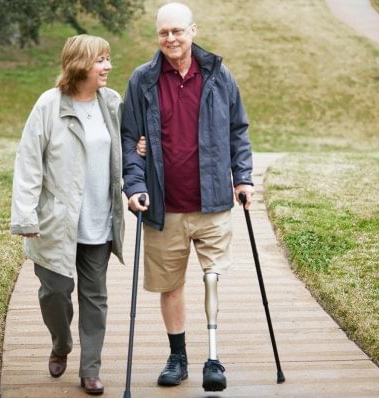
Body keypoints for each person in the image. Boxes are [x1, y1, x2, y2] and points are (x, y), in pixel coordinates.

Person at [121, 2, 254, 392]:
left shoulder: (218, 75)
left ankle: (213, 358)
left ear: (193, 31)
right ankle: (177, 357)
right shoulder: (142, 80)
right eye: (164, 32)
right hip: (164, 206)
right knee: (170, 285)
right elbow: (130, 140)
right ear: (157, 36)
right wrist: (135, 186)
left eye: (178, 31)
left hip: (211, 202)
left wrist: (243, 178)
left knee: (212, 278)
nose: (171, 39)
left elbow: (238, 130)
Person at [10, 34, 124, 396]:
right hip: (55, 223)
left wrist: (141, 147)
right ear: (80, 64)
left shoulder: (112, 102)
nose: (108, 67)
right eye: (101, 60)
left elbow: (130, 147)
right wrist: (25, 217)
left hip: (99, 219)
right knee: (55, 292)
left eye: (108, 59)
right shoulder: (49, 104)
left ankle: (90, 369)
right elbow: (29, 163)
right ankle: (61, 343)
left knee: (96, 296)